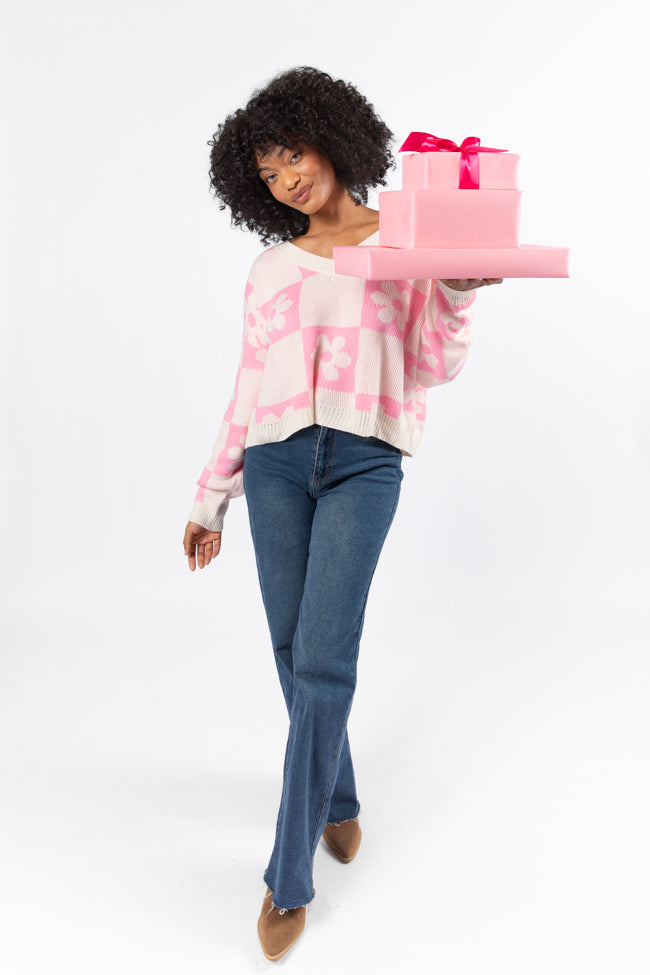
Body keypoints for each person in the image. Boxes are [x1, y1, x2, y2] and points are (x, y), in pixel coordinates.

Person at [182, 66, 502, 962]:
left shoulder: (403, 241)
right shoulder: (269, 270)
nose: (287, 178)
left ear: (332, 137)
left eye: (294, 154)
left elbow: (433, 362)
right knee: (294, 650)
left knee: (324, 657)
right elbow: (248, 387)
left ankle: (288, 876)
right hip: (276, 464)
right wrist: (211, 496)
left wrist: (459, 289)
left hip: (366, 461)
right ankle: (342, 795)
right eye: (268, 171)